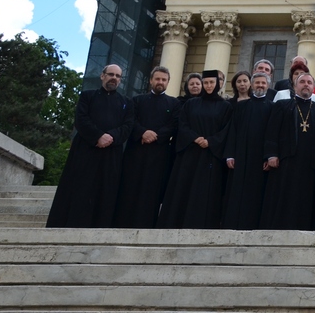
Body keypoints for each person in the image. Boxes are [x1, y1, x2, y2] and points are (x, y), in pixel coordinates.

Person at [47, 64, 134, 228]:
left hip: (111, 153)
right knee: (80, 189)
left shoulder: (127, 103)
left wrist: (111, 137)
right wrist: (98, 136)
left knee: (105, 191)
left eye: (118, 76)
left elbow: (128, 126)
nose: (114, 78)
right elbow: (81, 119)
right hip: (86, 150)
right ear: (102, 76)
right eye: (111, 74)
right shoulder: (87, 96)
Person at [158, 69, 232, 228]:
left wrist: (210, 141)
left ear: (218, 84)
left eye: (212, 82)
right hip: (190, 153)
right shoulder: (191, 103)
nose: (209, 85)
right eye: (206, 83)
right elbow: (182, 124)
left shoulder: (225, 106)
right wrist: (194, 138)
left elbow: (226, 130)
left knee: (205, 192)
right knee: (183, 189)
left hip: (210, 155)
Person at [260, 71, 315, 230]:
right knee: (284, 197)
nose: (306, 85)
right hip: (286, 161)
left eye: (309, 83)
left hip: (310, 164)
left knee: (306, 199)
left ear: (313, 87)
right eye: (302, 82)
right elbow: (272, 131)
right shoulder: (282, 106)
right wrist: (271, 154)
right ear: (295, 86)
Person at [115, 66, 179, 228]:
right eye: (157, 79)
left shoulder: (174, 103)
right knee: (130, 187)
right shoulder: (137, 100)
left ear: (168, 82)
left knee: (152, 191)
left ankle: (147, 225)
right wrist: (143, 132)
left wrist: (156, 135)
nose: (160, 82)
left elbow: (173, 125)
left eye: (164, 80)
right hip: (136, 152)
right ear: (151, 80)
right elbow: (131, 120)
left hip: (159, 154)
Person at [221, 71, 275, 229]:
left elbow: (273, 135)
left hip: (260, 159)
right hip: (240, 156)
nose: (260, 86)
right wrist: (230, 155)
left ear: (268, 85)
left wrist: (268, 156)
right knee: (237, 192)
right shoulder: (241, 106)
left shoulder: (272, 108)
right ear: (252, 85)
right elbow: (232, 131)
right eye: (257, 83)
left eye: (263, 83)